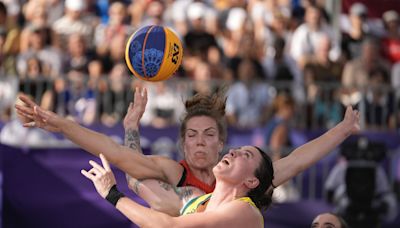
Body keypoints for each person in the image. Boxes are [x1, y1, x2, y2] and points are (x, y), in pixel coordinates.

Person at [15, 88, 360, 216]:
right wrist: (60, 124)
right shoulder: (173, 174)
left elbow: (298, 160)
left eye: (209, 134)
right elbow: (121, 158)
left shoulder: (249, 182)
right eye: (192, 135)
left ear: (222, 143)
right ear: (182, 143)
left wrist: (343, 129)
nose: (199, 141)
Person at [81, 146, 273, 227]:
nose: (233, 152)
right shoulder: (192, 199)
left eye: (246, 155)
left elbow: (167, 225)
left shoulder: (246, 211)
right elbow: (135, 177)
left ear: (251, 181)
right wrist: (131, 127)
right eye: (237, 149)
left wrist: (112, 194)